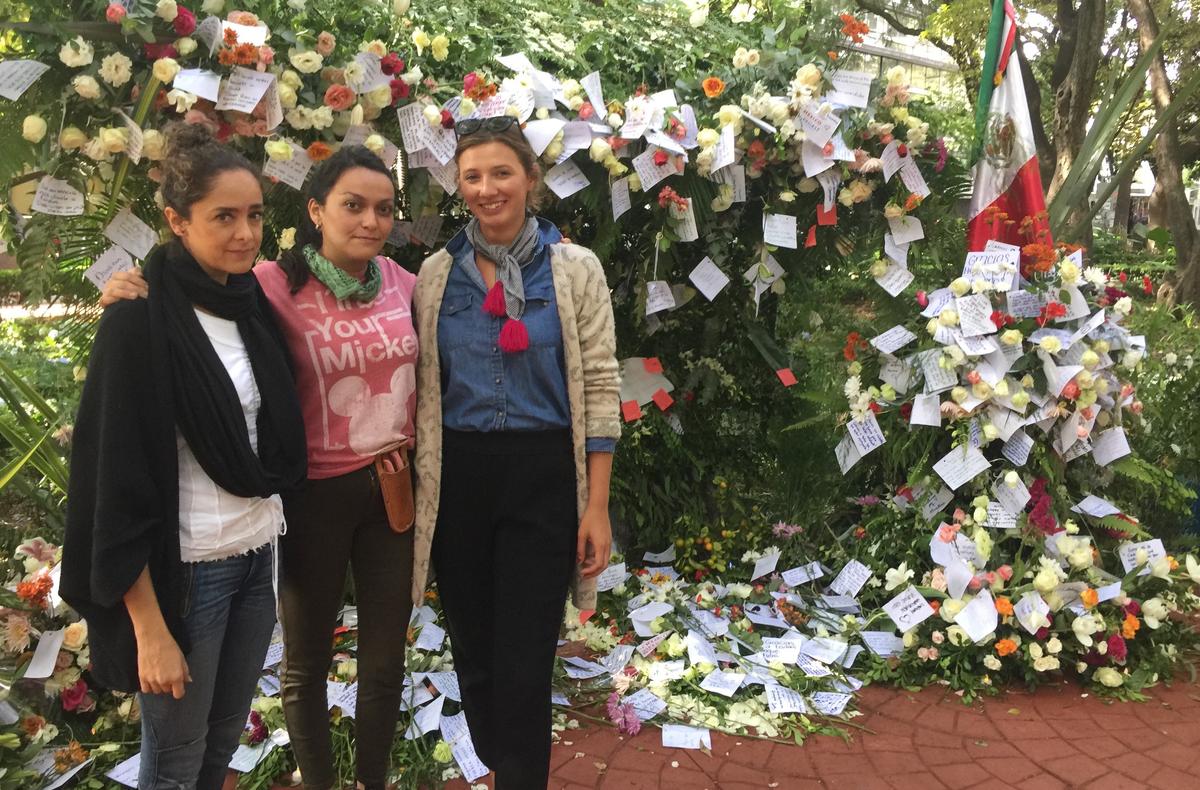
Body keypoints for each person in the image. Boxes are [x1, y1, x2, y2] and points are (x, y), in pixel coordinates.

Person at [99, 145, 418, 790]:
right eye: (352, 205)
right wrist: (129, 283)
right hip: (271, 517)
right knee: (269, 686)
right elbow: (117, 480)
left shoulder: (394, 284)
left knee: (364, 670)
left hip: (352, 503)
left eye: (383, 209)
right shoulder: (268, 284)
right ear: (314, 210)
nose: (369, 221)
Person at [62, 123, 308, 790]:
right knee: (173, 762)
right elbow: (116, 487)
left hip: (259, 552)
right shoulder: (139, 322)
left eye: (254, 214)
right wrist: (150, 630)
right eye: (222, 217)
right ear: (175, 219)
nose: (244, 233)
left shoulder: (250, 301)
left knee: (221, 742)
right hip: (186, 576)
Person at [410, 115, 621, 789]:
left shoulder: (575, 269)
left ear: (530, 179)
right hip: (459, 480)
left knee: (525, 656)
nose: (486, 188)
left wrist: (598, 506)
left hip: (541, 479)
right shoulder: (435, 276)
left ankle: (518, 779)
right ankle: (505, 764)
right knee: (473, 649)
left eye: (501, 172)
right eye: (472, 175)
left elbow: (600, 387)